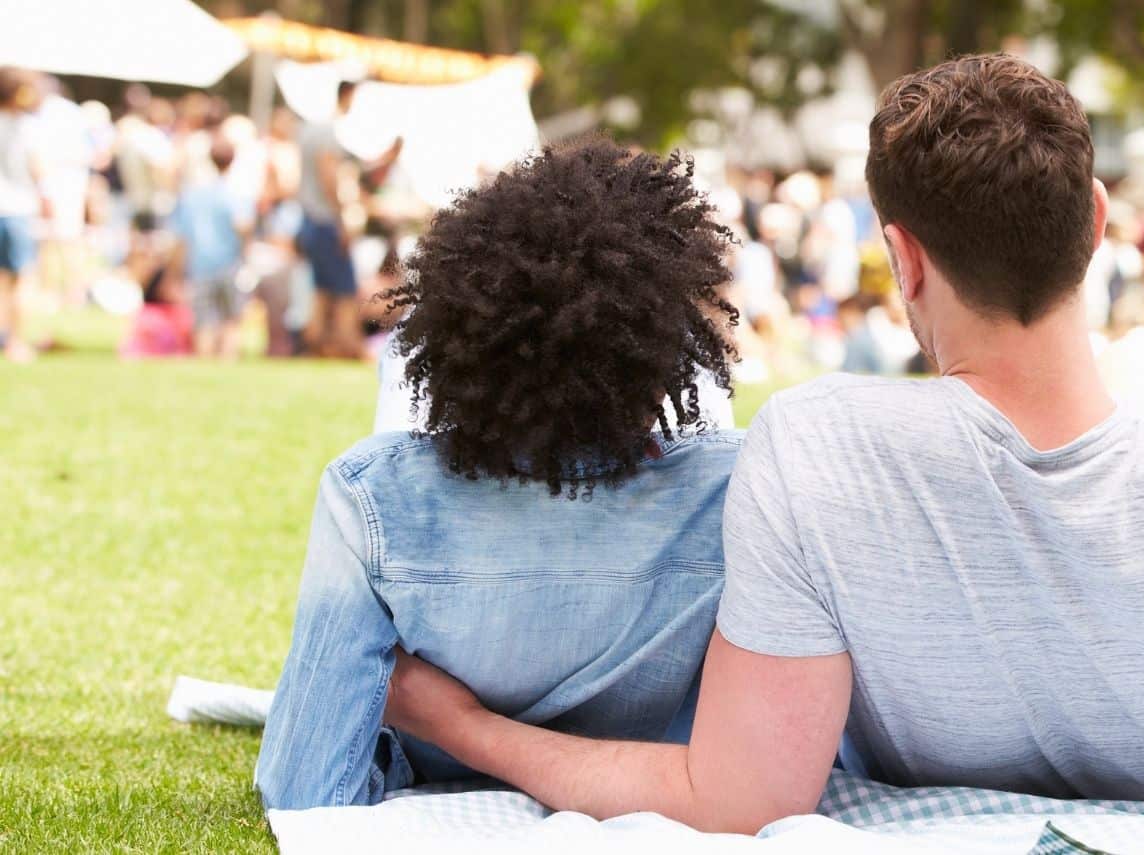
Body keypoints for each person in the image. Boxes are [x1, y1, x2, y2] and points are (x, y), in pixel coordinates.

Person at [385, 54, 1144, 843]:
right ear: (1098, 221)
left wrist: (469, 730)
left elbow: (739, 799)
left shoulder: (818, 447)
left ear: (901, 261)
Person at [254, 139, 744, 809]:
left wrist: (437, 732)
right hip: (661, 784)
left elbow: (303, 789)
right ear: (669, 332)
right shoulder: (742, 487)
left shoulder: (373, 496)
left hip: (440, 769)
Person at [295, 79, 400, 358]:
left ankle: (313, 346)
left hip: (308, 219)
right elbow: (328, 177)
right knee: (343, 291)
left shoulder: (307, 130)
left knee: (321, 290)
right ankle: (350, 349)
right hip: (325, 220)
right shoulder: (327, 133)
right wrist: (342, 219)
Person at [170, 138, 251, 358]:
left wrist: (175, 272)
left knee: (204, 321)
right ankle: (227, 362)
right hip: (230, 265)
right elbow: (243, 227)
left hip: (200, 265)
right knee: (231, 320)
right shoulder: (237, 193)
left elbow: (181, 237)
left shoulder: (193, 194)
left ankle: (205, 361)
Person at [0, 67, 46, 362]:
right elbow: (37, 168)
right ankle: (15, 342)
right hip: (16, 208)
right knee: (21, 279)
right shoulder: (26, 127)